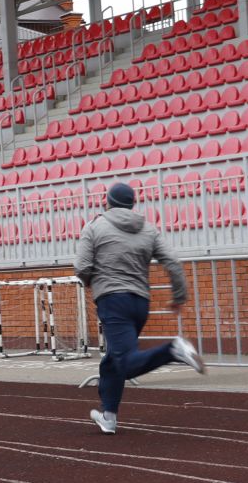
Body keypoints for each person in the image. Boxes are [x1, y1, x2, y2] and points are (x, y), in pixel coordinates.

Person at [74, 182, 205, 435]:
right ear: (132, 204)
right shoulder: (148, 229)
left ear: (108, 202)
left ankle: (173, 350)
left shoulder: (94, 226)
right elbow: (173, 262)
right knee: (112, 361)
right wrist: (179, 295)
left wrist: (92, 282)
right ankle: (108, 416)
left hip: (113, 300)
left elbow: (81, 266)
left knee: (126, 363)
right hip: (140, 303)